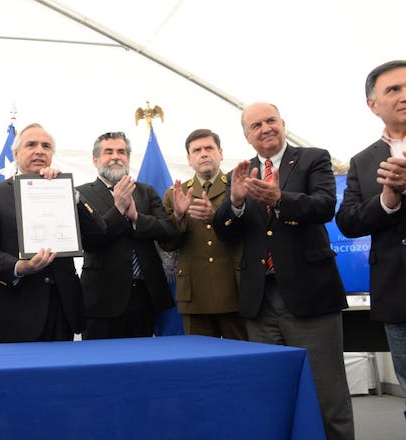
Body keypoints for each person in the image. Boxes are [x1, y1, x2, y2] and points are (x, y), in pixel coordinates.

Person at [212, 102, 354, 439]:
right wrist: (235, 202)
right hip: (260, 301)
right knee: (273, 391)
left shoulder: (312, 158)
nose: (265, 129)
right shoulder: (242, 172)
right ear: (247, 137)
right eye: (256, 125)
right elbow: (225, 232)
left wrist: (280, 199)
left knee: (326, 394)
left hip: (310, 295)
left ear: (283, 123)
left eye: (270, 121)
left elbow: (323, 206)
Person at [0, 123, 91, 343]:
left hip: (62, 310)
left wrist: (68, 193)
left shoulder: (65, 189)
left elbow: (97, 234)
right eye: (31, 145)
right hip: (17, 311)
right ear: (16, 154)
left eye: (46, 146)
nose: (39, 150)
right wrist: (20, 267)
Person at [335, 60, 406, 417]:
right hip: (397, 291)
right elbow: (347, 221)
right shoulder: (363, 161)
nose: (403, 95)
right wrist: (386, 202)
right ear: (373, 104)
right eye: (393, 89)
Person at [76, 131, 177, 339]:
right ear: (95, 160)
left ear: (128, 158)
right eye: (108, 152)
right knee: (100, 363)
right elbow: (91, 241)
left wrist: (136, 217)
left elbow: (168, 232)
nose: (116, 156)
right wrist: (118, 209)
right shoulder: (81, 194)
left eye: (121, 152)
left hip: (145, 296)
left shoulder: (145, 192)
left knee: (141, 364)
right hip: (101, 300)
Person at [161, 129, 246, 340]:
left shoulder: (238, 187)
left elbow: (251, 230)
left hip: (234, 289)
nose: (204, 154)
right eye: (196, 150)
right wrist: (178, 217)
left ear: (221, 153)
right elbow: (167, 244)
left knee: (239, 359)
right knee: (200, 363)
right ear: (189, 159)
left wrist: (216, 217)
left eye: (209, 148)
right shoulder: (175, 194)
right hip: (194, 294)